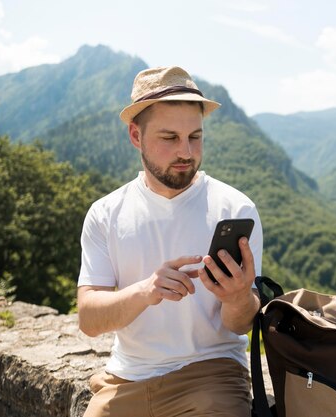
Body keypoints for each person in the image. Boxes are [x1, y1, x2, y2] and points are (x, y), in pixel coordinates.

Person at [77, 66, 263, 417]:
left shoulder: (235, 209)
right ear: (136, 136)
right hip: (125, 380)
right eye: (169, 138)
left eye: (195, 137)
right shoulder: (105, 214)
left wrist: (239, 298)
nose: (186, 152)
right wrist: (146, 291)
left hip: (211, 375)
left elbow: (241, 325)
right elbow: (89, 319)